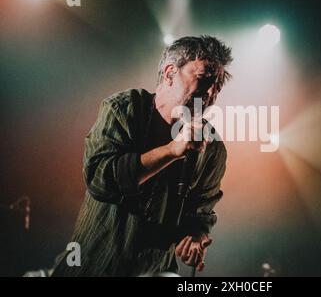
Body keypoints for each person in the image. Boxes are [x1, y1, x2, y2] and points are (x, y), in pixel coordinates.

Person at [51, 36, 233, 276]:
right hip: (93, 266)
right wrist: (171, 150)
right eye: (204, 78)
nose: (210, 92)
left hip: (154, 270)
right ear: (169, 73)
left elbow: (202, 210)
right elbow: (100, 180)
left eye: (217, 86)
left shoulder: (212, 145)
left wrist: (196, 237)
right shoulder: (124, 109)